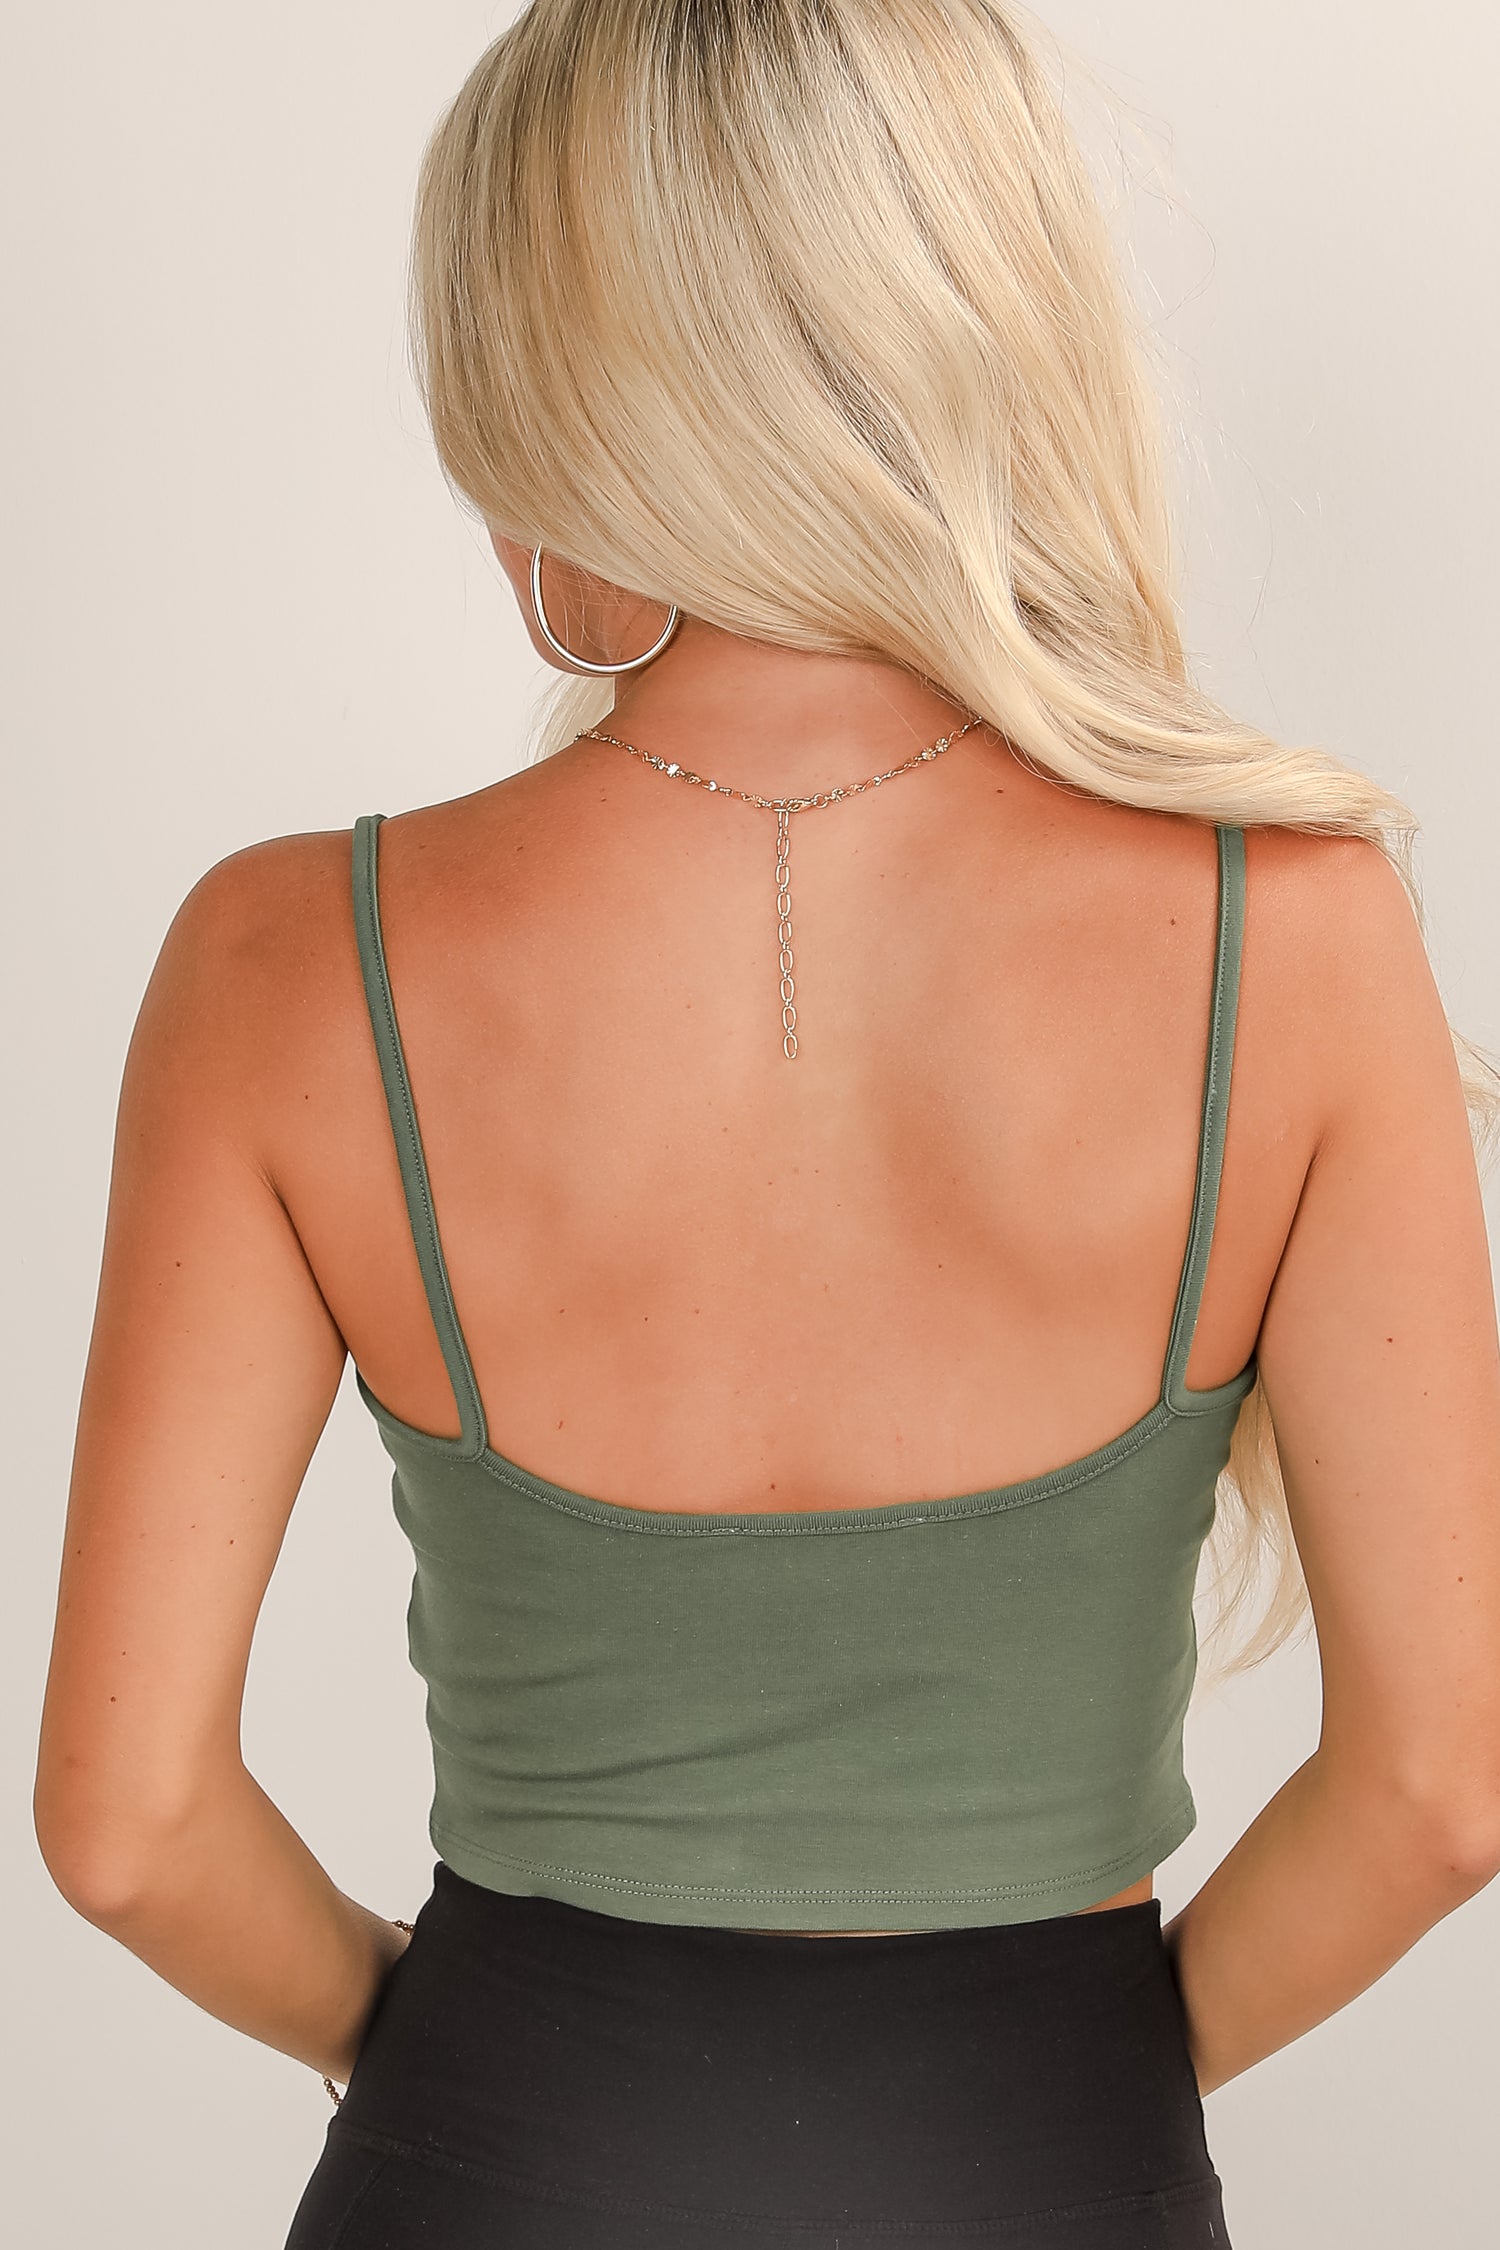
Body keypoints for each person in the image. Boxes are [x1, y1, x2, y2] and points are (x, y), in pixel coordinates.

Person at [33, 4, 1500, 2245]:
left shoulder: (284, 960)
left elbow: (126, 1824)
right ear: (987, 303)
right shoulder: (1290, 939)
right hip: (1047, 2169)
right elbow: (1439, 1790)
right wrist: (1055, 2086)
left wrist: (448, 2049)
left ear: (541, 355)